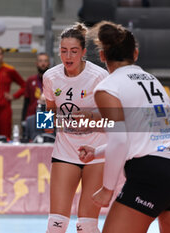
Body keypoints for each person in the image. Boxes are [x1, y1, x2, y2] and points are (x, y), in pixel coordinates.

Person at [78, 21, 170, 233]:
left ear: (103, 56)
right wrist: (96, 152)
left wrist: (107, 189)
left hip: (152, 175)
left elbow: (120, 140)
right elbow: (146, 139)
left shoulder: (108, 86)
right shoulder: (154, 82)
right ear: (135, 53)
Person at [43, 23, 109, 233]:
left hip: (96, 153)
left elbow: (113, 117)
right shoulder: (51, 77)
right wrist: (45, 126)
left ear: (83, 52)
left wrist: (89, 118)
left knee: (87, 225)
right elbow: (50, 108)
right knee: (56, 224)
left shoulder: (99, 77)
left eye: (73, 51)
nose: (68, 56)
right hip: (65, 151)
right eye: (63, 51)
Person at [0, 46, 26, 140]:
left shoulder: (9, 70)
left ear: (2, 56)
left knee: (5, 136)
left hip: (4, 109)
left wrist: (14, 96)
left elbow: (24, 85)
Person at [21, 52, 50, 121]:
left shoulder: (54, 81)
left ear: (49, 63)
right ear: (36, 63)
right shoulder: (30, 80)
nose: (43, 64)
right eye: (40, 61)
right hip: (32, 116)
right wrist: (23, 121)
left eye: (45, 61)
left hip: (48, 116)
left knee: (46, 132)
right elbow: (26, 102)